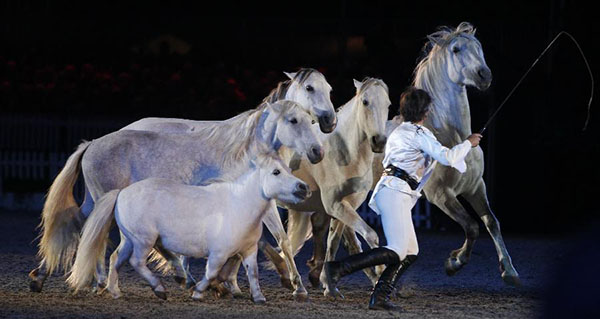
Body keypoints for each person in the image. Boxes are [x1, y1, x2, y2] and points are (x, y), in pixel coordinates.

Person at [324, 87, 482, 311]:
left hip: (396, 192)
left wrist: (462, 150)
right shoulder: (418, 134)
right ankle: (338, 268)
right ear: (425, 112)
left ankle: (379, 297)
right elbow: (447, 157)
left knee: (410, 252)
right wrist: (468, 143)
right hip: (395, 192)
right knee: (398, 249)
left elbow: (450, 158)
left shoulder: (402, 131)